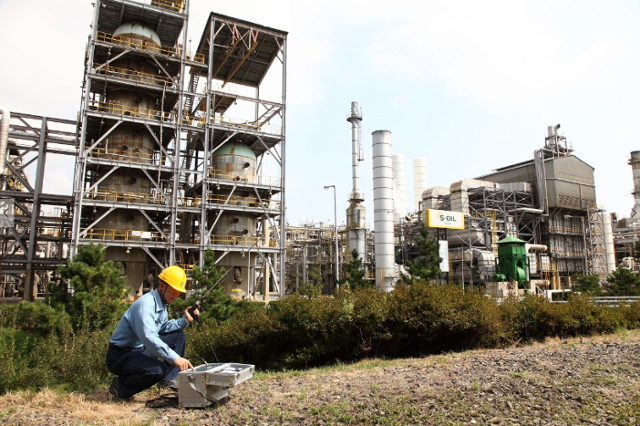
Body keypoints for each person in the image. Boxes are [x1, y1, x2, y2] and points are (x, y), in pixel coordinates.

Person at [106, 265, 199, 400]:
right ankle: (119, 388)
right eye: (173, 290)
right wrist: (175, 358)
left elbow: (163, 329)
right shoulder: (145, 305)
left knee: (177, 336)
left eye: (178, 292)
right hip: (120, 355)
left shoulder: (162, 304)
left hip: (139, 350)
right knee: (157, 370)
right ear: (162, 286)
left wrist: (185, 320)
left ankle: (169, 380)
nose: (176, 295)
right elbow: (149, 338)